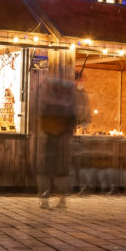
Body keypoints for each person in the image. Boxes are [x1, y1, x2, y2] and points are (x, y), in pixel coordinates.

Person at [36, 76, 77, 209]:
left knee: (49, 170)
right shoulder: (68, 103)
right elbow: (72, 120)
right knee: (60, 170)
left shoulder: (50, 103)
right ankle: (60, 200)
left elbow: (43, 119)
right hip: (61, 139)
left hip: (53, 138)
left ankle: (46, 199)